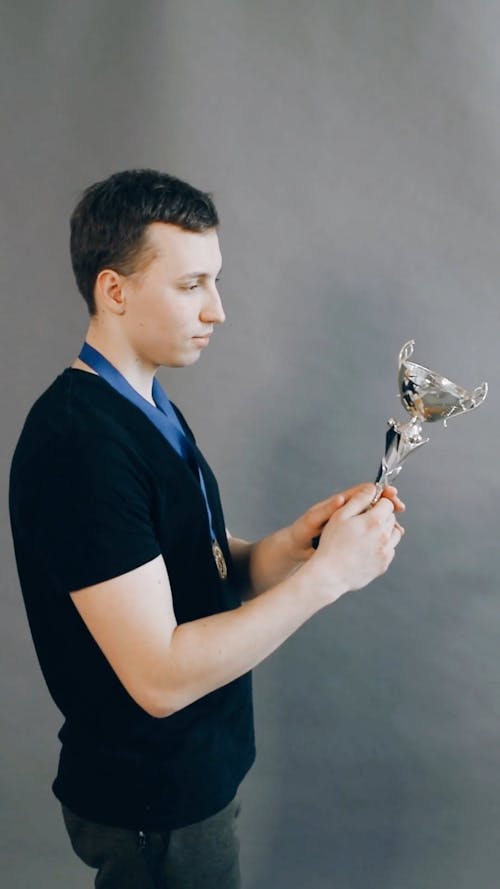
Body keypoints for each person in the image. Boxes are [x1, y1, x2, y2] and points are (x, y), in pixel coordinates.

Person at [8, 168, 404, 889]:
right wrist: (330, 577)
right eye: (192, 285)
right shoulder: (80, 444)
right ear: (115, 290)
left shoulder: (145, 405)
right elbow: (157, 676)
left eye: (214, 281)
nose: (218, 310)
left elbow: (200, 568)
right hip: (150, 804)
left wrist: (294, 544)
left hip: (188, 784)